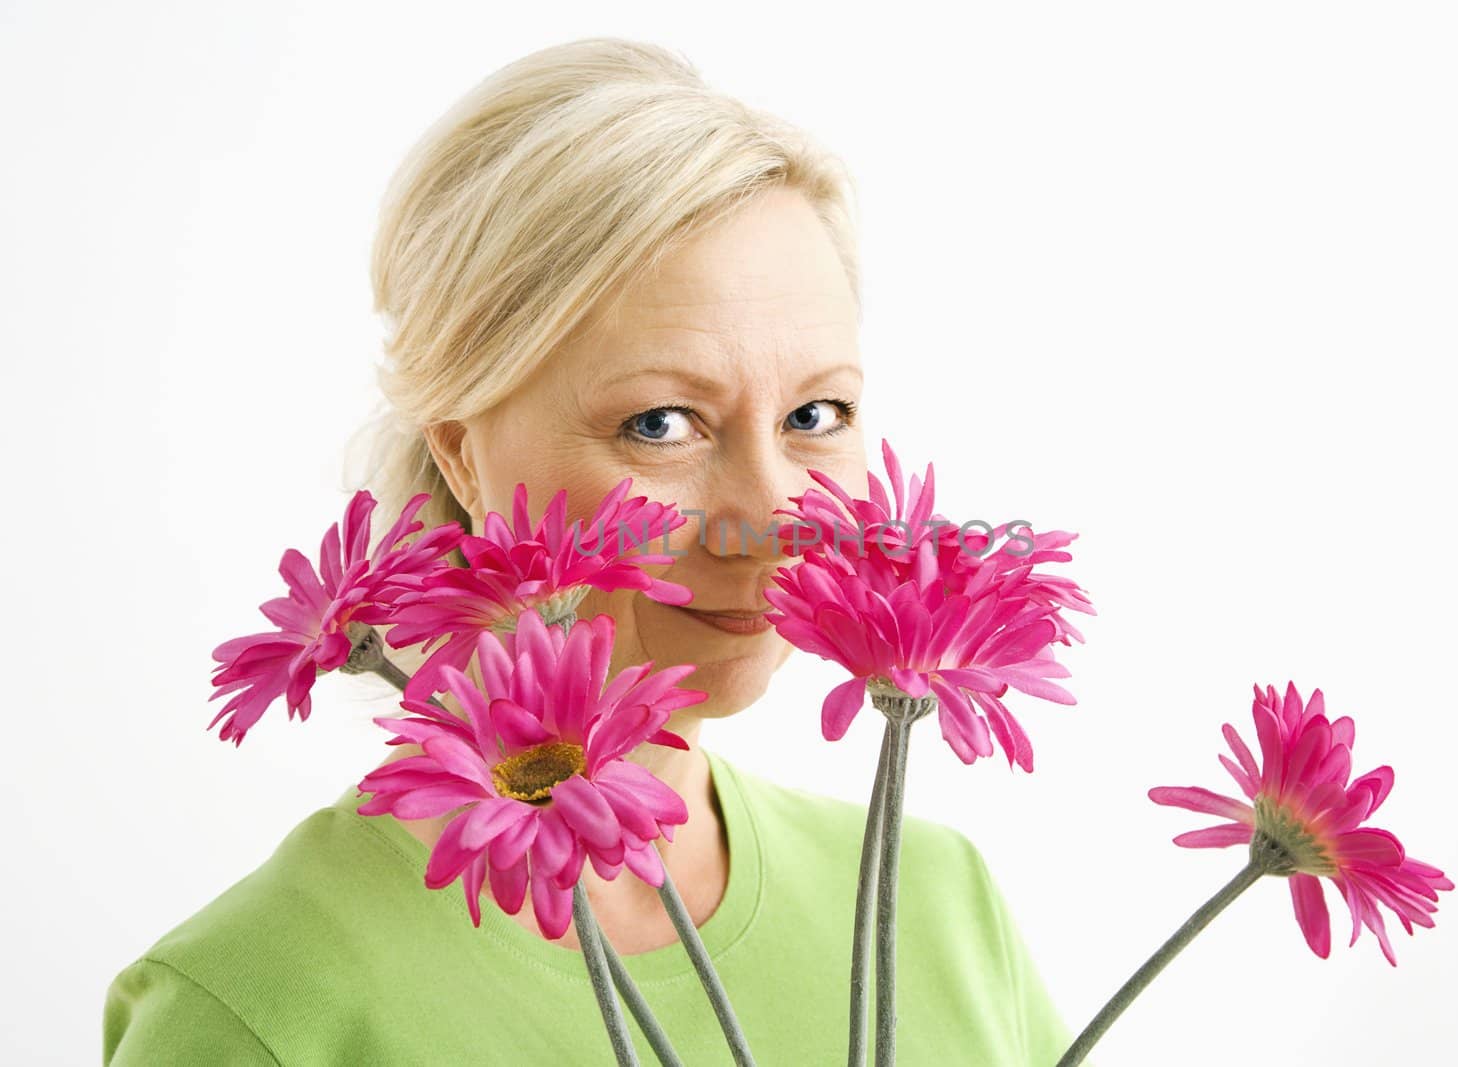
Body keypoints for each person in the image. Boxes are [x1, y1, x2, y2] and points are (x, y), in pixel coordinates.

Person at [103, 37, 1075, 1065]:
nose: (769, 510)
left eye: (814, 412)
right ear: (463, 455)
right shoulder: (262, 1004)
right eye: (660, 422)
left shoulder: (938, 907)